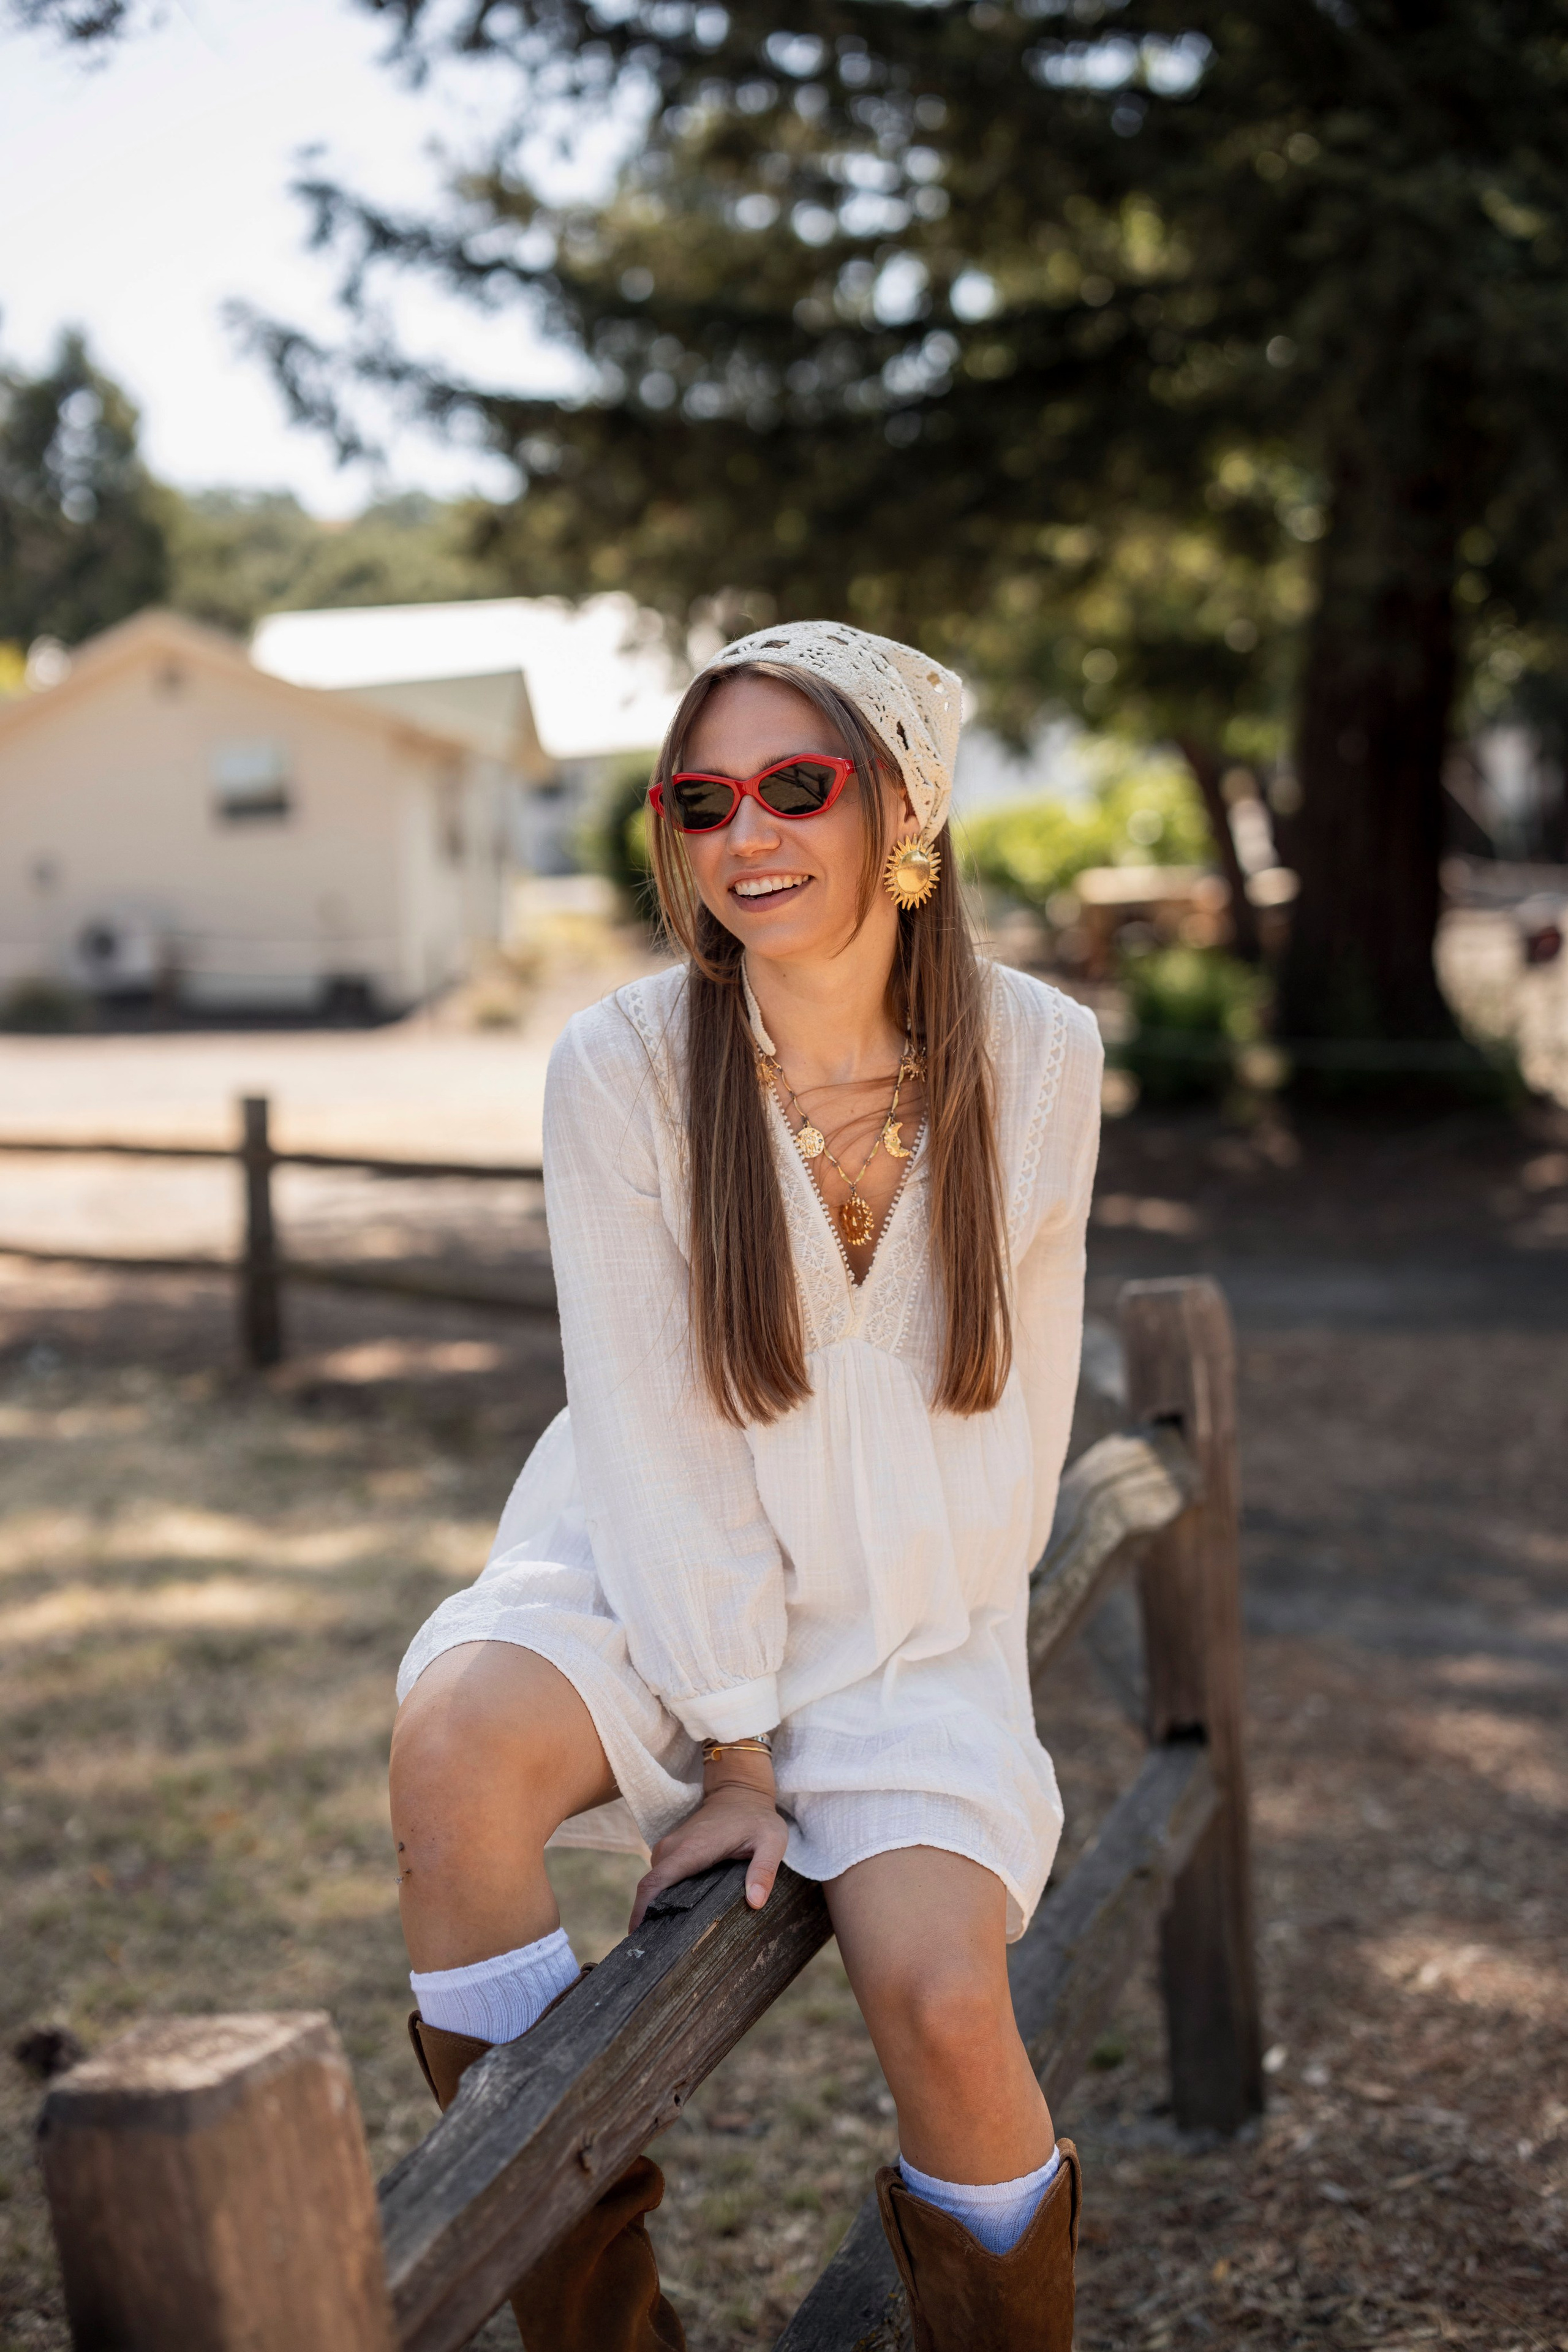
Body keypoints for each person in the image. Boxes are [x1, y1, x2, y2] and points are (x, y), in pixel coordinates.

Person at [388, 620, 1103, 2352]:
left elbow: (1012, 1414)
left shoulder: (1042, 1055)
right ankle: (601, 2333)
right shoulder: (624, 1067)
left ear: (907, 814)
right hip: (650, 1561)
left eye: (800, 785)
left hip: (908, 1599)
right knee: (457, 1750)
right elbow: (654, 1426)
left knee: (942, 2005)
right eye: (702, 802)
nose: (747, 837)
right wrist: (733, 1744)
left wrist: (894, 1683)